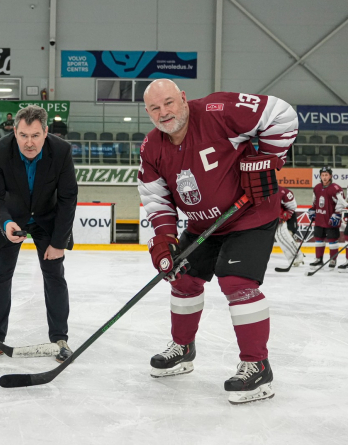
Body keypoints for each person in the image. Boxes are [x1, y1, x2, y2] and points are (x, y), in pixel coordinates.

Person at [137, 79, 296, 404]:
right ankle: (183, 349)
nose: (164, 112)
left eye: (168, 102)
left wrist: (266, 160)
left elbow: (282, 114)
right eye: (155, 108)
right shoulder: (152, 147)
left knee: (236, 280)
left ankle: (257, 366)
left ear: (182, 98)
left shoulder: (218, 111)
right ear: (147, 112)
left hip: (251, 213)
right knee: (183, 277)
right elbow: (155, 197)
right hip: (203, 223)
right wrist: (166, 239)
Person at [0, 105, 78, 363]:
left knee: (54, 275)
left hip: (48, 218)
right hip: (11, 218)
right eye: (23, 135)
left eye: (35, 135)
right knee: (0, 274)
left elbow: (68, 199)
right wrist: (6, 223)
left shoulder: (62, 151)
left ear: (45, 132)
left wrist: (58, 243)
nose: (29, 142)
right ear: (15, 131)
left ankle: (59, 339)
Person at [307, 166, 346, 271]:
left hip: (331, 219)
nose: (324, 177)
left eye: (326, 175)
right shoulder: (317, 188)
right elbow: (314, 201)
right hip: (320, 218)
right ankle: (318, 259)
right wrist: (313, 210)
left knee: (333, 240)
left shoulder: (336, 188)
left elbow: (341, 203)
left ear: (330, 176)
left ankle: (333, 260)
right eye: (322, 175)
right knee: (319, 239)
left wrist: (337, 214)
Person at [275, 186, 304, 267]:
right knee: (280, 238)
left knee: (285, 236)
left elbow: (292, 208)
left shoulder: (283, 192)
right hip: (273, 219)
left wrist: (283, 216)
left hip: (284, 219)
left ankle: (297, 255)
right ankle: (293, 257)